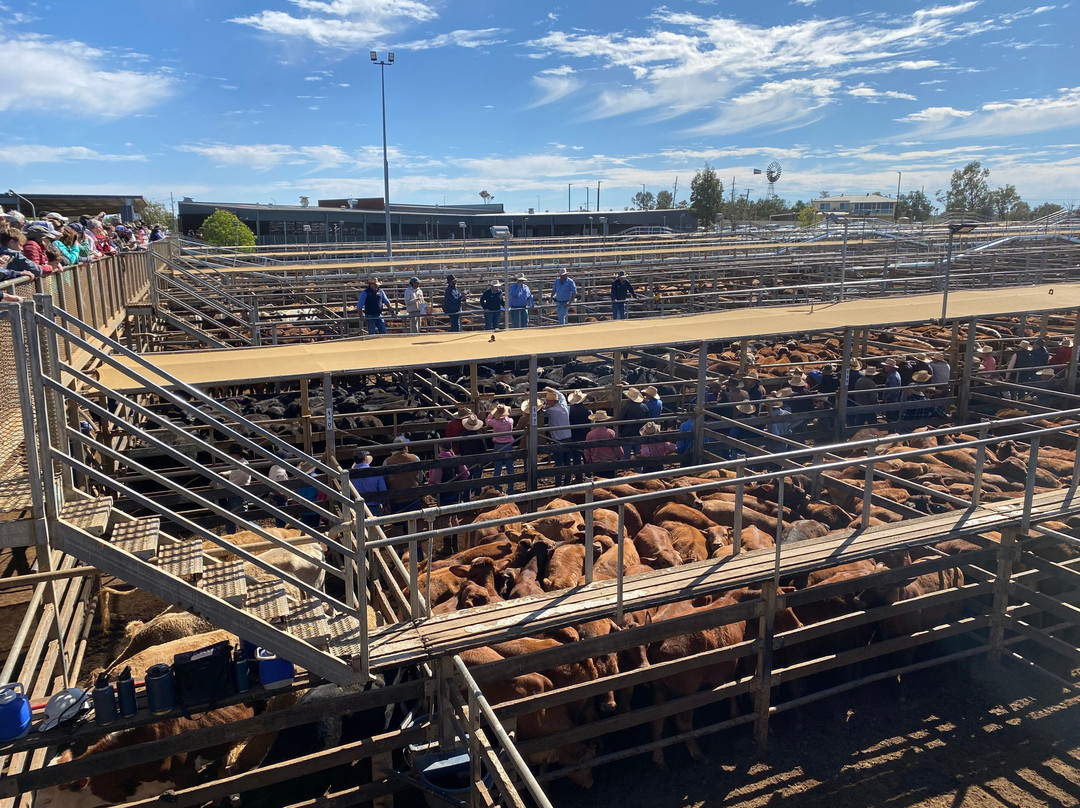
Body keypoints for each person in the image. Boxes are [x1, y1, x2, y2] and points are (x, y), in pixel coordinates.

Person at [383, 435, 423, 513]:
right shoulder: (415, 458)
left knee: (399, 522)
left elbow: (384, 481)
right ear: (405, 447)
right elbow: (420, 478)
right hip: (413, 497)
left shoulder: (387, 461)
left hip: (396, 499)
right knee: (414, 520)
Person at [542, 388, 572, 486]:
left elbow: (540, 410)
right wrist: (552, 389)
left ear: (552, 401)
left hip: (558, 440)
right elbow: (562, 395)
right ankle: (567, 481)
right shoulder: (563, 405)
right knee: (567, 461)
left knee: (559, 463)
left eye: (548, 401)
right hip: (568, 437)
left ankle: (558, 483)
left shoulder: (551, 411)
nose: (547, 402)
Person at [219, 446, 251, 534]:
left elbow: (236, 481)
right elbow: (234, 472)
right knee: (232, 516)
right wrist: (225, 474)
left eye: (231, 454)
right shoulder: (240, 463)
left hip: (238, 493)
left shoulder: (243, 465)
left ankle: (256, 531)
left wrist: (219, 483)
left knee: (241, 519)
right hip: (235, 493)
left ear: (236, 454)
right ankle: (231, 533)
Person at [485, 404, 516, 493]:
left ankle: (497, 488)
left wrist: (492, 412)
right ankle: (510, 489)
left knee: (497, 468)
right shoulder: (510, 421)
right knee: (510, 468)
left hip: (498, 446)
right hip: (508, 445)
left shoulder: (495, 422)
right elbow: (508, 416)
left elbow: (487, 420)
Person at [458, 414, 488, 495]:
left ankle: (466, 497)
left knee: (468, 479)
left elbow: (460, 449)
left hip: (467, 460)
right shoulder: (480, 437)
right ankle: (478, 496)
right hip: (478, 460)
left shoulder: (462, 437)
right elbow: (484, 449)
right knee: (477, 479)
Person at [567, 390, 592, 483]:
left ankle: (578, 477)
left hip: (574, 436)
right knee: (586, 457)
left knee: (576, 458)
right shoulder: (588, 410)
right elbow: (592, 424)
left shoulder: (570, 410)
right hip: (585, 436)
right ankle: (588, 476)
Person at [619, 388, 651, 458]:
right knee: (639, 454)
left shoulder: (625, 407)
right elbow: (647, 421)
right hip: (640, 433)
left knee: (626, 455)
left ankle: (625, 469)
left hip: (627, 434)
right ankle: (639, 469)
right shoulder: (644, 407)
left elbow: (620, 421)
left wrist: (621, 432)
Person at [881, 358, 903, 423]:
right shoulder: (895, 374)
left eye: (886, 366)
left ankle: (892, 431)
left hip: (891, 401)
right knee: (891, 419)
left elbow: (893, 391)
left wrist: (886, 400)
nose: (885, 367)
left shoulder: (892, 376)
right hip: (893, 400)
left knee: (890, 419)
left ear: (890, 367)